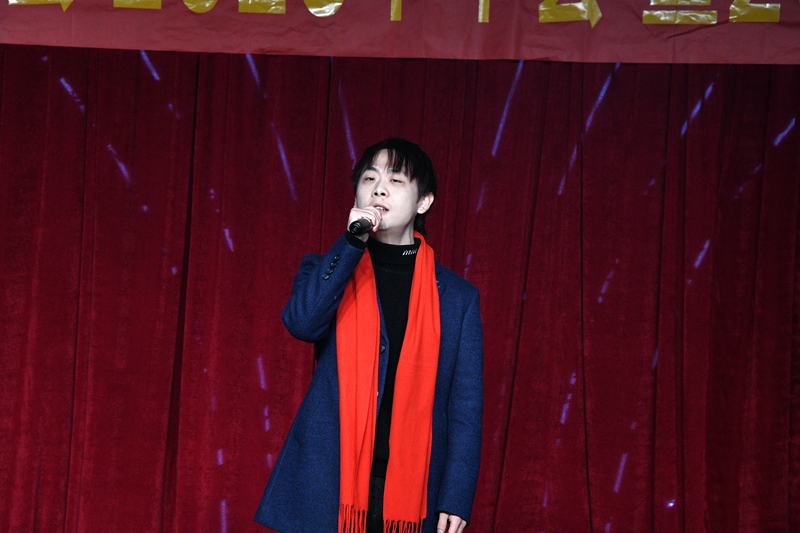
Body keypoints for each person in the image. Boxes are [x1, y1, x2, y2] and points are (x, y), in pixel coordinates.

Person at [255, 138, 483, 533]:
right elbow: (302, 323)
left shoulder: (457, 298)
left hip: (414, 489)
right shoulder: (327, 269)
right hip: (329, 483)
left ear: (423, 202)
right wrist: (351, 244)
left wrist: (456, 495)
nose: (378, 189)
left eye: (395, 180)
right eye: (369, 178)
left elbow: (465, 409)